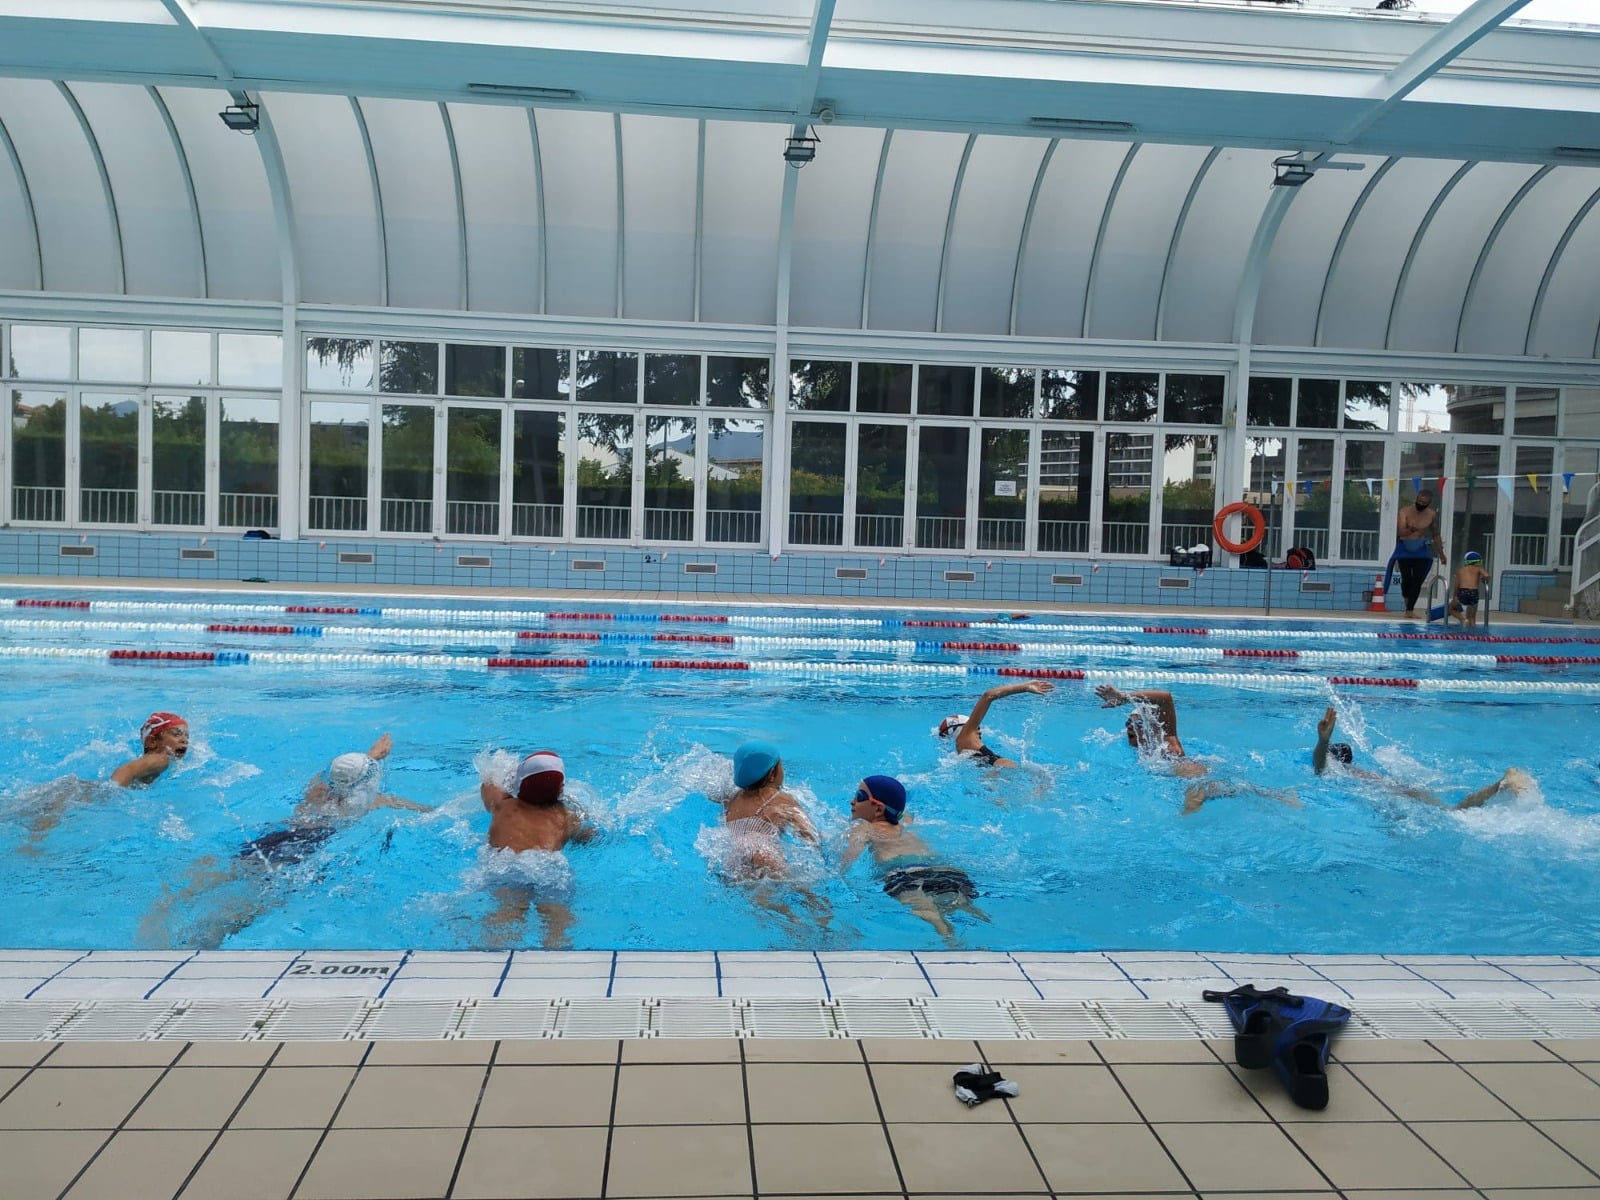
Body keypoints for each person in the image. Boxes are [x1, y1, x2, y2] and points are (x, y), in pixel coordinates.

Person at [139, 733, 428, 948]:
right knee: (248, 907)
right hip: (302, 851)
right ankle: (202, 943)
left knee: (225, 874)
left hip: (273, 838)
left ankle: (163, 909)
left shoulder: (316, 793)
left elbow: (338, 773)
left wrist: (368, 757)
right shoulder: (370, 803)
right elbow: (422, 810)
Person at [1095, 683, 1297, 814]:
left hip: (1195, 777)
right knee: (1238, 790)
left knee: (1192, 810)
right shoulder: (1139, 754)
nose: (1131, 727)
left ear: (1154, 728)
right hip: (1190, 781)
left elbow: (1165, 697)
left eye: (1140, 724)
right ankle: (1280, 796)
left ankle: (1281, 797)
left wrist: (1124, 697)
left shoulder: (1167, 742)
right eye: (1128, 723)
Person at [841, 774, 985, 943]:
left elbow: (850, 856)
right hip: (945, 870)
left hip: (904, 875)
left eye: (859, 797)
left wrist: (839, 869)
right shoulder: (906, 822)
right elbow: (900, 810)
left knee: (929, 914)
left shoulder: (864, 827)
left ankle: (951, 942)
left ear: (878, 809)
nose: (852, 801)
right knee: (968, 907)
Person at [23, 712, 190, 852]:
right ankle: (31, 847)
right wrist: (113, 794)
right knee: (46, 820)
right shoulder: (161, 759)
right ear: (152, 741)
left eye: (186, 735)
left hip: (82, 786)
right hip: (95, 791)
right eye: (176, 734)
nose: (184, 740)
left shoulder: (157, 760)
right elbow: (125, 771)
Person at [480, 749, 596, 949]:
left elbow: (487, 783)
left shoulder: (503, 804)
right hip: (548, 866)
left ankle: (494, 953)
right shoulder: (566, 816)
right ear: (561, 788)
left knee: (509, 912)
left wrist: (506, 774)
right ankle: (558, 952)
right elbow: (587, 838)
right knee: (557, 917)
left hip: (509, 865)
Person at [1312, 707, 1530, 809]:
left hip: (1387, 791)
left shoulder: (1338, 770)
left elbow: (1320, 767)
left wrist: (1323, 741)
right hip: (1394, 786)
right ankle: (1499, 786)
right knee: (1451, 810)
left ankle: (1500, 785)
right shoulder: (1358, 770)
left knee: (1452, 812)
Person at [721, 740, 820, 878]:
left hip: (733, 858)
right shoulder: (782, 800)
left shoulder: (730, 799)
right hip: (765, 855)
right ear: (772, 773)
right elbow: (812, 837)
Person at [938, 680, 1053, 768]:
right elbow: (988, 696)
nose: (979, 730)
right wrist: (1025, 687)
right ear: (962, 729)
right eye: (976, 726)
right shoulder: (966, 736)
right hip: (1001, 770)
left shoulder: (962, 750)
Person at [1391, 488, 1447, 618]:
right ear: (1416, 499)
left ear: (1428, 503)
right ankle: (1407, 599)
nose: (1421, 504)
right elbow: (1400, 533)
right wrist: (1410, 529)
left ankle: (1409, 610)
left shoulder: (1431, 515)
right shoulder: (1404, 511)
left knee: (1417, 580)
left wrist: (1442, 554)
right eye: (1419, 501)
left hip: (1420, 549)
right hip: (1404, 548)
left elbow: (1436, 535)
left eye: (1424, 503)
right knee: (1406, 579)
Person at [1453, 550, 1491, 629]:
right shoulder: (1478, 568)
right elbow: (1487, 576)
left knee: (1451, 608)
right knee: (1472, 616)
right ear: (1479, 561)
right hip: (1474, 593)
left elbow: (1456, 585)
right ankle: (1472, 631)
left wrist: (1455, 597)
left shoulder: (1461, 570)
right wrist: (1484, 580)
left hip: (1463, 592)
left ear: (1466, 562)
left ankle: (1463, 620)